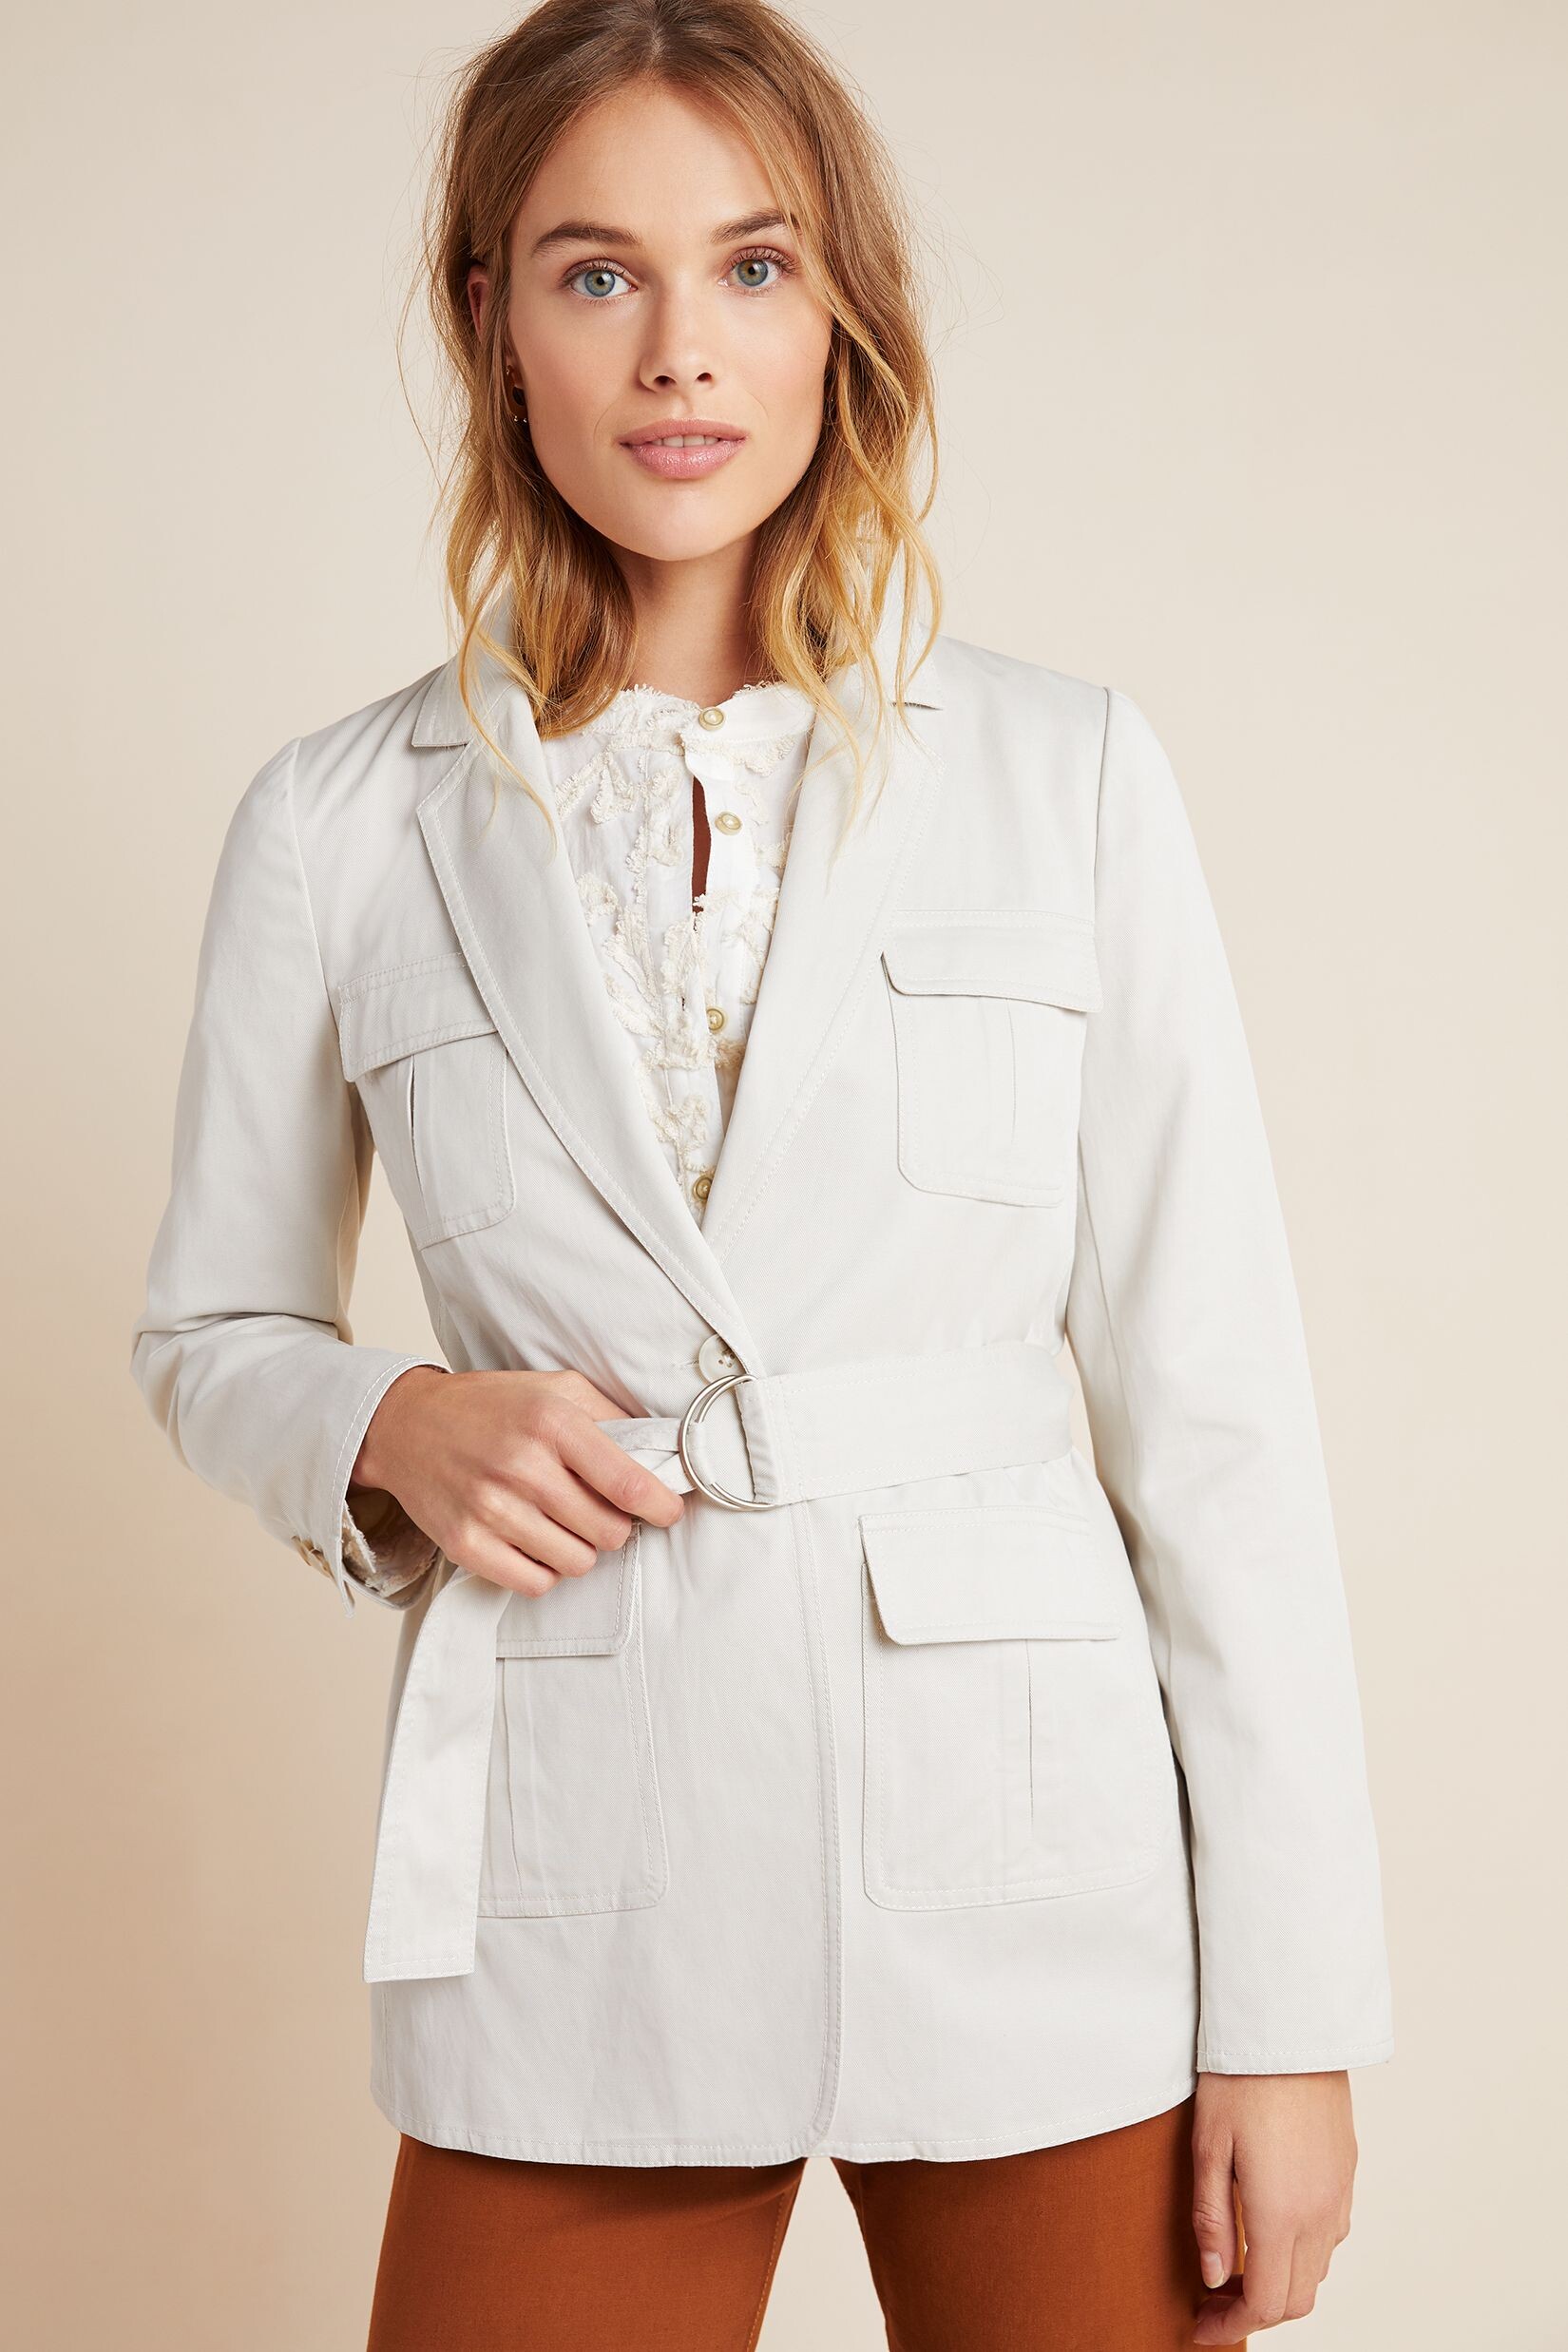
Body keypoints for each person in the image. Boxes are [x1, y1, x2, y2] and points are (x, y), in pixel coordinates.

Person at [128, 2, 1394, 2344]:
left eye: (753, 265)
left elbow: (1217, 1416)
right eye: (596, 272)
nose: (679, 351)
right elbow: (211, 1331)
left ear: (841, 317)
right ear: (491, 323)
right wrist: (390, 1418)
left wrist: (1292, 2012)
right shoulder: (339, 823)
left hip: (1033, 1875)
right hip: (576, 1867)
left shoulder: (1064, 774)